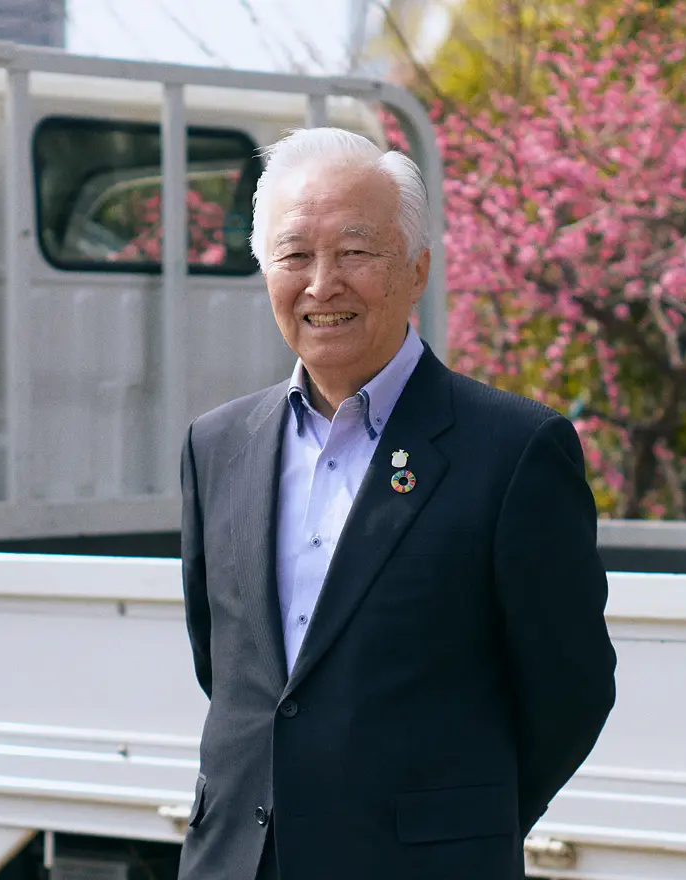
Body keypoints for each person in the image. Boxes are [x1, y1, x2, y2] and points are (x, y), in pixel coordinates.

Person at [176, 127, 617, 880]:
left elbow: (570, 691)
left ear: (416, 270)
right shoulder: (217, 446)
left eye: (354, 252)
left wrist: (455, 825)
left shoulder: (513, 450)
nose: (322, 284)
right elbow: (227, 670)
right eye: (294, 255)